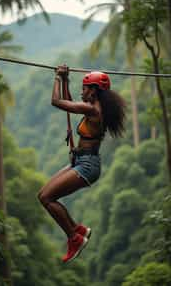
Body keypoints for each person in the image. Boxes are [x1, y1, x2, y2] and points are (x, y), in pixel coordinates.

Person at [37, 65, 126, 263]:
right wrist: (66, 79)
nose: (82, 91)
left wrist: (58, 78)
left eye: (85, 88)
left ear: (93, 91)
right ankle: (78, 230)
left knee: (46, 198)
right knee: (43, 195)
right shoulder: (94, 108)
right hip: (81, 160)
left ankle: (74, 237)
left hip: (87, 165)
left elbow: (57, 102)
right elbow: (70, 102)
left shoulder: (92, 110)